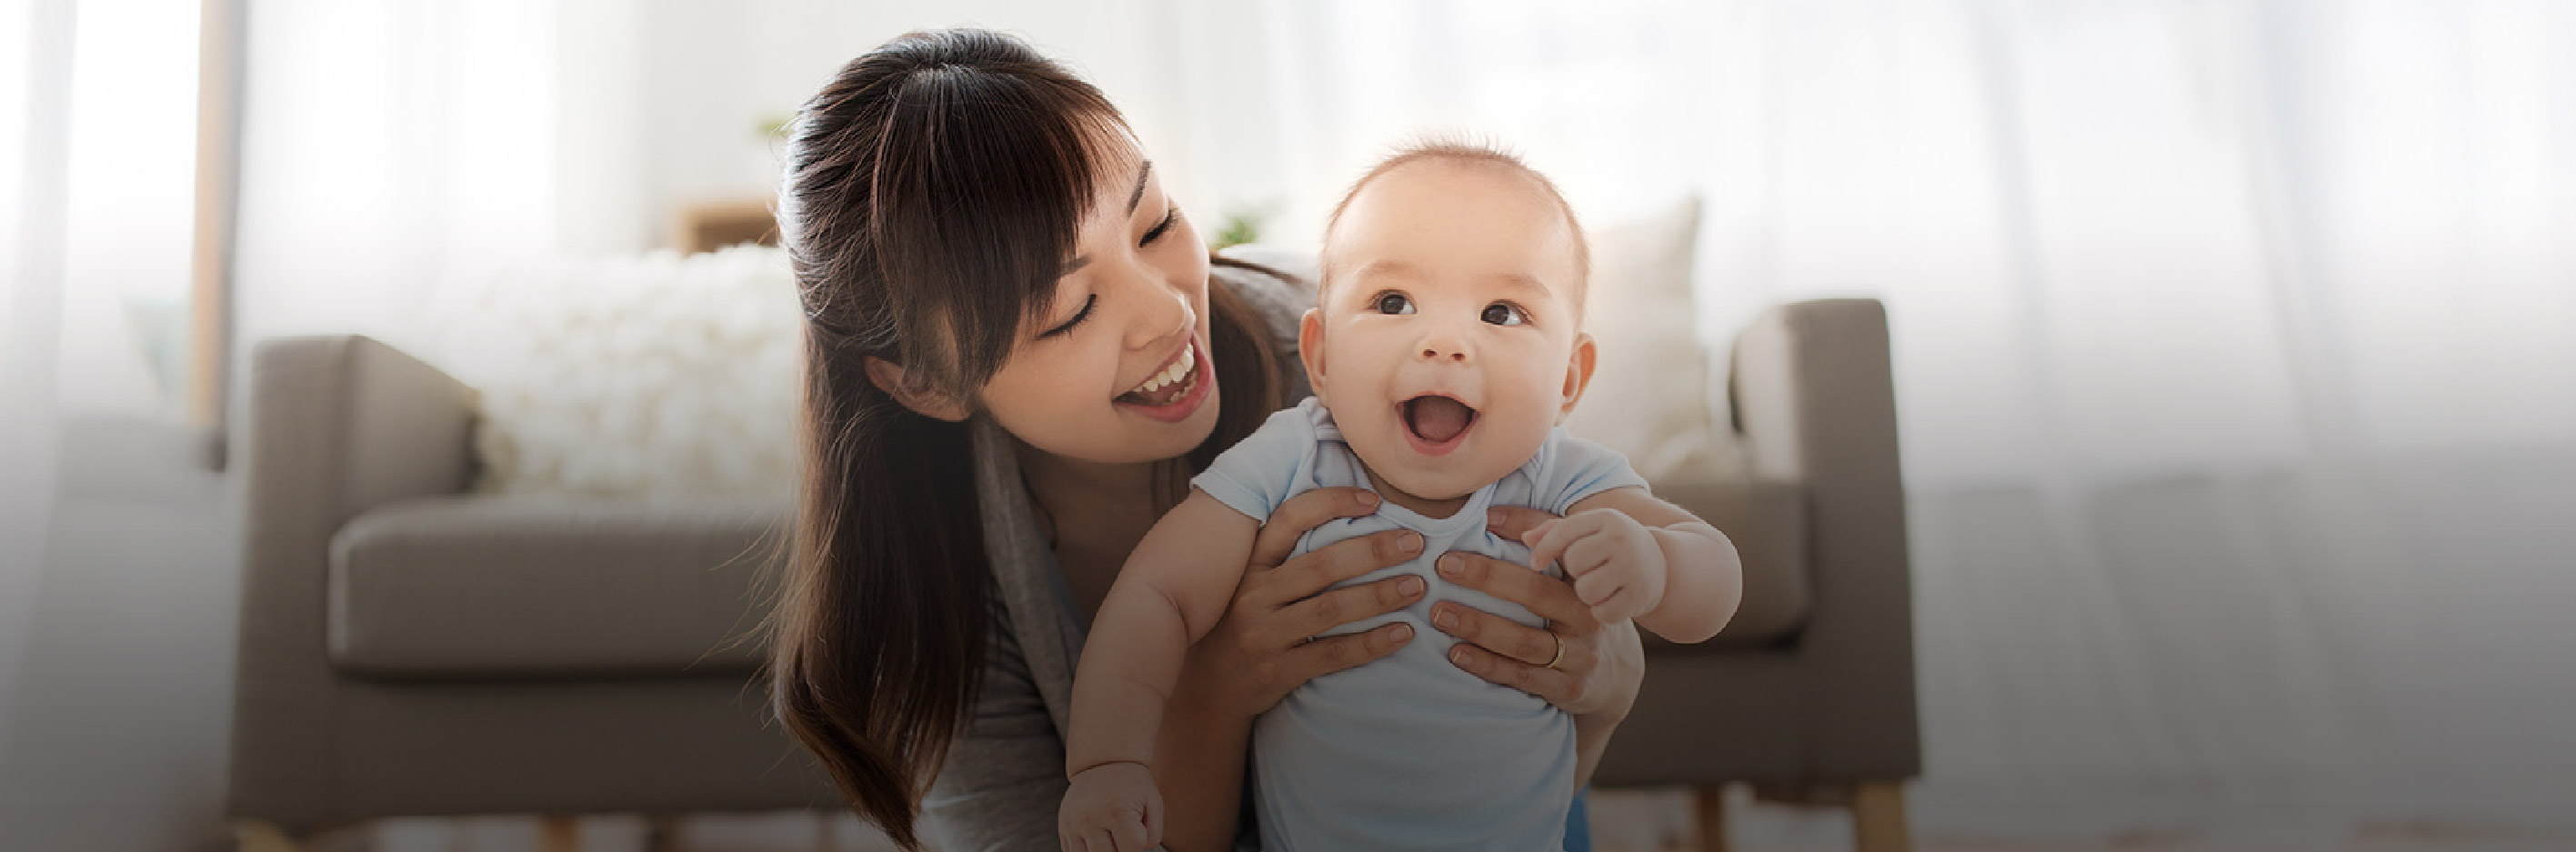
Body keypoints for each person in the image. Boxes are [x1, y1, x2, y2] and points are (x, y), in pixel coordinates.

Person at [764, 29, 1649, 852]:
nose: (1169, 309)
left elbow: (1536, 754)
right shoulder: (926, 605)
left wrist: (1602, 690)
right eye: (1071, 309)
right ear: (926, 380)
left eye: (1154, 224)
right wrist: (1215, 689)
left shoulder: (1357, 363)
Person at [1057, 144, 1747, 852]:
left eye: (1501, 313)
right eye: (1393, 302)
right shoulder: (1293, 455)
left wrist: (1656, 564)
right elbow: (1155, 595)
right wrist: (1108, 762)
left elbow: (1714, 582)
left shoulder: (1564, 479)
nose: (1444, 342)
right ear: (1320, 356)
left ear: (1568, 380)